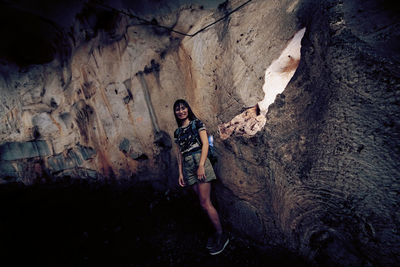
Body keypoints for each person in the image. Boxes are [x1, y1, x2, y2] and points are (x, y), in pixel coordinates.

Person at [173, 99, 229, 255]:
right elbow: (179, 152)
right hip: (188, 165)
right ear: (175, 112)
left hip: (199, 161)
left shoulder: (196, 123)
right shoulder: (177, 132)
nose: (181, 111)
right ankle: (216, 231)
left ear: (187, 109)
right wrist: (180, 172)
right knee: (202, 202)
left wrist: (201, 165)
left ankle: (221, 235)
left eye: (183, 108)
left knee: (205, 203)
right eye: (177, 109)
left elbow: (205, 144)